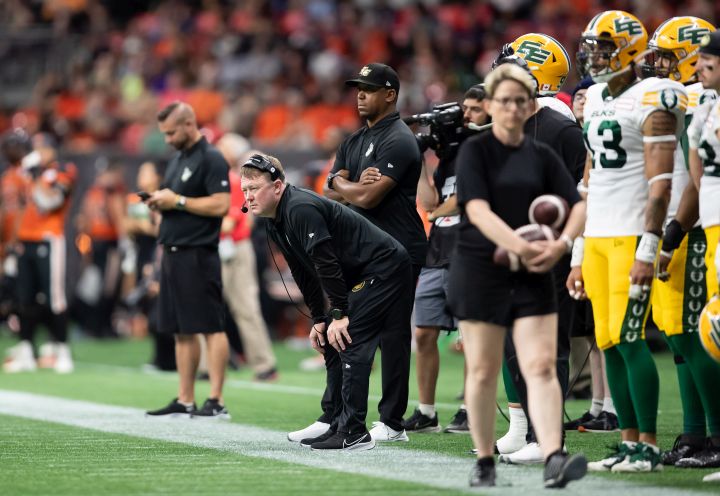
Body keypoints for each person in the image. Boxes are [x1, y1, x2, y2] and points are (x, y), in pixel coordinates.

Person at [447, 63, 587, 488]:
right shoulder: (475, 150)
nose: (511, 109)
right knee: (485, 370)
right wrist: (522, 245)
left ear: (530, 106)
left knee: (542, 364)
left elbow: (578, 203)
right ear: (490, 105)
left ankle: (553, 456)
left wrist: (561, 245)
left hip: (533, 272)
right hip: (481, 270)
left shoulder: (542, 154)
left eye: (519, 101)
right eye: (503, 101)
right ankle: (485, 461)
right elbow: (477, 211)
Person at [569, 10, 688, 473]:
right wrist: (578, 251)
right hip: (598, 236)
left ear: (630, 50)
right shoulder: (595, 96)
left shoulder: (653, 96)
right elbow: (589, 177)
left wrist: (648, 246)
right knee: (609, 341)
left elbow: (661, 184)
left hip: (630, 236)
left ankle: (649, 445)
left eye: (603, 46)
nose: (594, 56)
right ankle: (626, 441)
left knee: (631, 339)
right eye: (592, 46)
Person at [288, 62, 425, 444]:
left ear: (390, 94)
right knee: (342, 324)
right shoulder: (353, 140)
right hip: (360, 250)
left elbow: (366, 195)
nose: (360, 94)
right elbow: (329, 189)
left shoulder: (399, 139)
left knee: (386, 334)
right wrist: (342, 182)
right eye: (357, 88)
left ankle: (388, 422)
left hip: (397, 248)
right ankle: (334, 414)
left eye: (369, 88)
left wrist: (342, 182)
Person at [240, 152, 413, 450]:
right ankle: (333, 418)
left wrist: (340, 314)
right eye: (245, 190)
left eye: (254, 188)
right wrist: (320, 320)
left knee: (348, 339)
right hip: (361, 273)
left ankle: (353, 430)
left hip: (383, 267)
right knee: (330, 337)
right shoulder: (276, 218)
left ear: (278, 187)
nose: (248, 196)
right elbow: (304, 273)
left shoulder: (300, 207)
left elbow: (326, 264)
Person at [488, 33, 595, 463]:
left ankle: (546, 435)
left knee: (547, 345)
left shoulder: (560, 127)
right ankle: (522, 427)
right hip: (511, 247)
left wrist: (574, 252)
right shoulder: (514, 120)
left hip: (549, 251)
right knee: (513, 342)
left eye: (511, 64)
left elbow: (583, 197)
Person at [640, 17, 720, 469]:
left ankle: (714, 434)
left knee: (696, 335)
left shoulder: (700, 100)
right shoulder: (690, 97)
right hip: (685, 225)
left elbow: (694, 178)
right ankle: (694, 434)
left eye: (669, 55)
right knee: (678, 336)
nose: (661, 63)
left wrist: (672, 232)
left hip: (690, 229)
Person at [402, 84, 488, 435]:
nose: (467, 115)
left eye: (475, 109)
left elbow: (467, 197)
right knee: (423, 332)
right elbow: (429, 201)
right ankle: (426, 410)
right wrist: (420, 161)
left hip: (470, 247)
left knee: (471, 336)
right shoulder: (451, 154)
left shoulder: (487, 146)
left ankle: (470, 408)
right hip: (438, 249)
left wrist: (438, 212)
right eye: (465, 109)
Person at [144, 101, 231, 419]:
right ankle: (185, 399)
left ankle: (217, 400)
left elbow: (222, 204)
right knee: (181, 329)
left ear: (188, 124)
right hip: (173, 252)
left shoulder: (212, 158)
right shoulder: (178, 159)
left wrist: (177, 200)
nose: (167, 139)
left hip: (198, 253)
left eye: (170, 132)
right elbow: (178, 202)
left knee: (211, 326)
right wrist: (161, 202)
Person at [675, 28, 720, 471]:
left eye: (708, 64)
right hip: (708, 224)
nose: (699, 72)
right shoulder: (705, 103)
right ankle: (710, 436)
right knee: (709, 332)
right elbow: (698, 172)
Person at [3, 134, 77, 374]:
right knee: (24, 299)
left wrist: (34, 177)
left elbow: (50, 202)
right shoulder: (25, 173)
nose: (37, 152)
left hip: (49, 238)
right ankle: (26, 350)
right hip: (26, 240)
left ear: (51, 150)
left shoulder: (62, 170)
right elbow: (21, 209)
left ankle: (62, 350)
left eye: (41, 148)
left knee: (54, 298)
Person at [215, 133, 278, 381]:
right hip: (215, 247)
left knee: (246, 307)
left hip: (235, 247)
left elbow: (240, 217)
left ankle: (264, 364)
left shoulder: (236, 180)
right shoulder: (217, 179)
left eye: (221, 148)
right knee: (205, 308)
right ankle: (207, 365)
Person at [74, 161, 127, 338]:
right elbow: (83, 221)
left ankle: (101, 325)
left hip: (106, 244)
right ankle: (97, 326)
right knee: (103, 286)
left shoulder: (103, 193)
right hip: (101, 243)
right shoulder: (101, 194)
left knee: (107, 286)